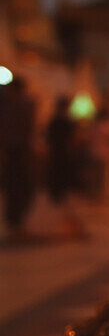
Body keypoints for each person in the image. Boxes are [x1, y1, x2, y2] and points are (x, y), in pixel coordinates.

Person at [0, 77, 36, 241]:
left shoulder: (19, 104)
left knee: (17, 187)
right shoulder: (22, 104)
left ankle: (15, 221)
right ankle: (15, 222)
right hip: (16, 149)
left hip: (17, 149)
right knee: (17, 187)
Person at [46, 96, 86, 237]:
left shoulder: (53, 122)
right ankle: (70, 223)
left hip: (55, 158)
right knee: (68, 192)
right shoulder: (67, 123)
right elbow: (75, 141)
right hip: (65, 159)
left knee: (59, 191)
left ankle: (64, 223)